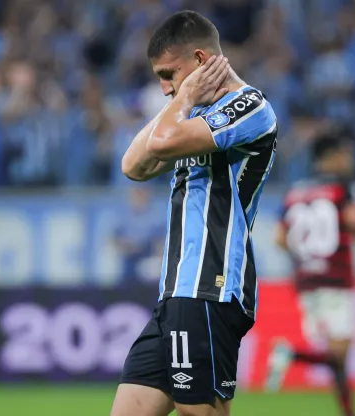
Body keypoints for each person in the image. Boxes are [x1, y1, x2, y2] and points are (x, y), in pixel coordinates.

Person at [113, 10, 279, 416]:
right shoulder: (191, 113)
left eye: (170, 74)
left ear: (202, 61)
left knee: (199, 410)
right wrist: (183, 98)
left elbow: (162, 143)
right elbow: (132, 166)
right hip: (176, 289)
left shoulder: (250, 106)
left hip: (211, 284)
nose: (165, 87)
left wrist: (184, 98)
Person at [265, 131, 355, 416]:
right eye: (344, 154)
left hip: (306, 280)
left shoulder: (295, 191)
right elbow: (353, 221)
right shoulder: (346, 188)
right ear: (330, 157)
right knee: (339, 355)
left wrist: (304, 260)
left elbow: (279, 238)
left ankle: (348, 412)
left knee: (337, 359)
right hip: (336, 277)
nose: (348, 160)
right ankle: (290, 353)